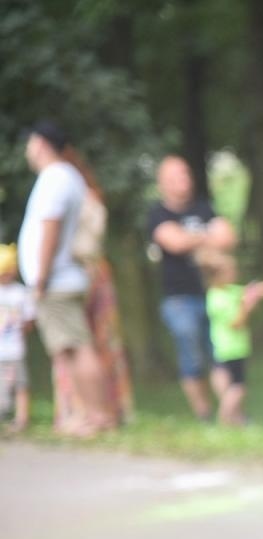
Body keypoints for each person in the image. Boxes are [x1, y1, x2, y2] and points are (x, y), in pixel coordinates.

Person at [20, 121, 114, 436]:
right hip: (63, 277)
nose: (28, 150)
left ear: (42, 144)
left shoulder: (55, 177)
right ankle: (86, 415)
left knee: (78, 347)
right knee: (69, 349)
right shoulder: (67, 176)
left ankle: (98, 416)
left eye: (31, 143)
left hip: (56, 279)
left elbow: (51, 227)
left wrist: (41, 278)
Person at [149, 155, 237, 420]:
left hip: (213, 295)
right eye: (176, 177)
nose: (184, 181)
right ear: (162, 183)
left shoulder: (203, 207)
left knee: (221, 353)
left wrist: (189, 238)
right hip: (179, 299)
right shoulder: (157, 214)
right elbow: (173, 242)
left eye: (186, 174)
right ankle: (204, 415)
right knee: (192, 357)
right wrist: (208, 237)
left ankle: (229, 413)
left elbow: (228, 237)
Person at [58, 145, 135, 429]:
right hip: (88, 273)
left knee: (81, 344)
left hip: (80, 273)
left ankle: (95, 412)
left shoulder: (82, 200)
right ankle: (96, 410)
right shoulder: (88, 197)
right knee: (89, 344)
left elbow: (84, 243)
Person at [200, 251, 262, 427]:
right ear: (218, 275)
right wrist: (248, 307)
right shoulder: (218, 299)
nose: (235, 273)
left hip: (229, 348)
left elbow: (247, 292)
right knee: (238, 387)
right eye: (231, 270)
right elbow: (236, 323)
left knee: (230, 387)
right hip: (231, 349)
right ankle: (224, 419)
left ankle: (237, 419)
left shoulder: (229, 291)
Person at [0, 245, 34, 434]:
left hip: (15, 349)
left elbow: (29, 320)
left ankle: (22, 418)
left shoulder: (21, 292)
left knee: (20, 384)